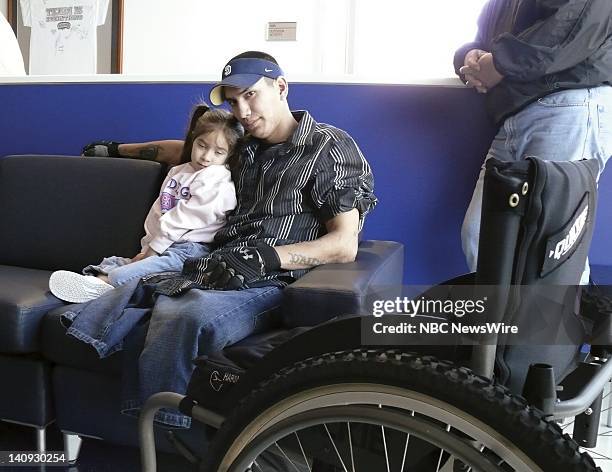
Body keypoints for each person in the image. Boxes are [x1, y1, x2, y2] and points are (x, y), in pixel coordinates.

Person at [83, 50, 377, 427]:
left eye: (250, 95)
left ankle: (162, 432)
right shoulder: (244, 144)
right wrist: (115, 149)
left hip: (272, 280)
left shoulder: (328, 147)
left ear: (281, 87)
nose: (242, 111)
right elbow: (183, 150)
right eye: (235, 101)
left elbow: (343, 244)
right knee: (138, 287)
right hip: (215, 266)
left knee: (182, 314)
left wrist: (267, 258)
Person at [455, 0, 612, 283]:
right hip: (515, 113)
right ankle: (506, 326)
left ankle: (557, 327)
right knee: (479, 235)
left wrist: (500, 62)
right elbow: (485, 40)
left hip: (570, 102)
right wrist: (471, 57)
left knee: (554, 251)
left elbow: (580, 19)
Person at [50, 105, 241, 303]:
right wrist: (146, 248)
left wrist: (153, 250)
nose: (207, 156)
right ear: (193, 139)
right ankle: (100, 280)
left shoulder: (217, 178)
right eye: (202, 145)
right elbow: (159, 211)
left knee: (135, 271)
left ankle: (106, 284)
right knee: (119, 263)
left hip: (191, 250)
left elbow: (182, 218)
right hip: (161, 244)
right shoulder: (178, 172)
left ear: (229, 155)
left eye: (218, 152)